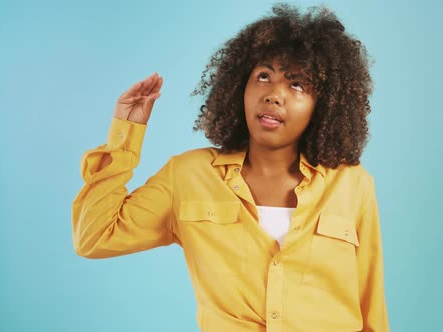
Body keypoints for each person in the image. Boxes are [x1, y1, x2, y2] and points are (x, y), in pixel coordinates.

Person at [72, 4, 389, 331]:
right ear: (240, 87)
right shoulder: (189, 175)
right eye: (263, 76)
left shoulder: (352, 185)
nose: (273, 94)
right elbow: (95, 236)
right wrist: (126, 131)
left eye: (297, 84)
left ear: (322, 105)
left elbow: (371, 310)